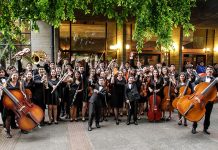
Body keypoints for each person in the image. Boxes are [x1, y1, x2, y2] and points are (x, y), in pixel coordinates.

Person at [192, 66, 218, 134]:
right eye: (208, 70)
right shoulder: (201, 78)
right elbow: (194, 83)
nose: (209, 71)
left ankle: (205, 129)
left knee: (208, 115)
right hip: (200, 99)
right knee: (197, 113)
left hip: (209, 100)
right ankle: (194, 128)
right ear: (205, 71)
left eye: (210, 70)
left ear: (212, 71)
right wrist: (195, 88)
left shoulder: (215, 80)